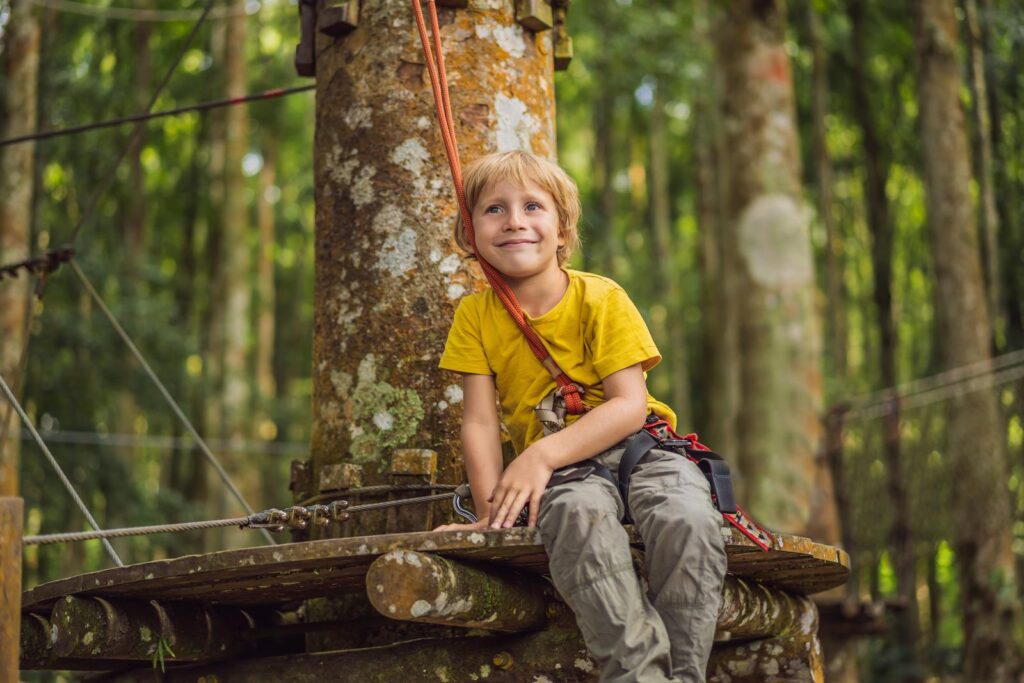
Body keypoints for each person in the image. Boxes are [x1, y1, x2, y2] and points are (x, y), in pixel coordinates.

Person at [435, 150, 727, 683]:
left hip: (642, 449)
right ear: (469, 232)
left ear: (562, 229)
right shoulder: (475, 316)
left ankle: (684, 676)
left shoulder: (600, 298)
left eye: (532, 207)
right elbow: (478, 421)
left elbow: (629, 405)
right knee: (575, 516)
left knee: (686, 518)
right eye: (494, 210)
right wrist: (490, 512)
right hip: (568, 475)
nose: (515, 221)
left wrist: (539, 455)